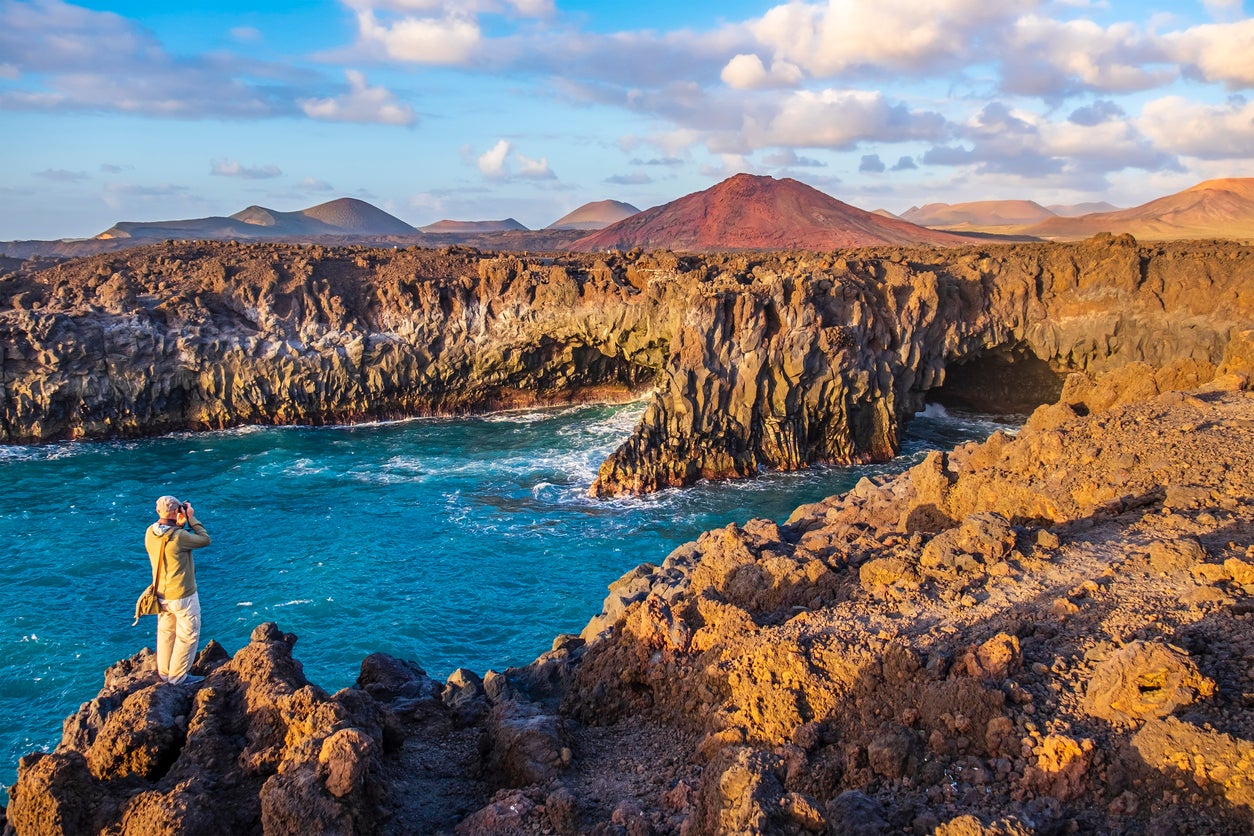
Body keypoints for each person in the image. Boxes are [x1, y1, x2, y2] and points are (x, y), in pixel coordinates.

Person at [145, 495, 211, 684]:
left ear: (158, 511)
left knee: (166, 633)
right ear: (177, 512)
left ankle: (165, 674)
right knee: (187, 635)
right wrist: (191, 519)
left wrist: (179, 525)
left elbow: (170, 543)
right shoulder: (180, 536)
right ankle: (178, 677)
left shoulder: (150, 532)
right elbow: (204, 539)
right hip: (183, 596)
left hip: (161, 595)